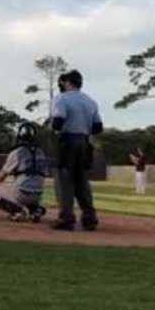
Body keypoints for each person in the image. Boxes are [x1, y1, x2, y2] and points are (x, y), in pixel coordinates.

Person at [49, 70, 102, 231]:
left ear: (68, 83)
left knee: (64, 181)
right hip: (84, 142)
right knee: (82, 182)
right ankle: (89, 218)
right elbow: (98, 127)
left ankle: (66, 218)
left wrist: (53, 129)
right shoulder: (90, 101)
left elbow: (58, 121)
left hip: (67, 141)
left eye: (64, 82)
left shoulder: (61, 98)